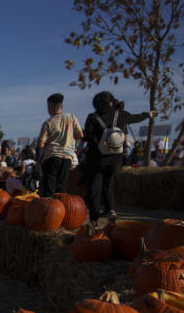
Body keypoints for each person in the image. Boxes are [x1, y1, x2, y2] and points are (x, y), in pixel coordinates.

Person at [82, 91, 154, 227]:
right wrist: (148, 114)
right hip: (116, 159)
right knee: (108, 185)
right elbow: (135, 118)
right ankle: (112, 210)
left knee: (95, 190)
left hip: (97, 159)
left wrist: (93, 139)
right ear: (111, 102)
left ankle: (93, 220)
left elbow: (87, 137)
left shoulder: (92, 117)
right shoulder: (121, 114)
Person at [36, 93, 83, 197]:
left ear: (49, 107)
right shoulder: (71, 117)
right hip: (67, 156)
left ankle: (50, 209)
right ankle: (61, 208)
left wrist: (39, 156)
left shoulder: (48, 122)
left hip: (52, 156)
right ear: (62, 106)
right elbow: (80, 134)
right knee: (61, 185)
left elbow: (41, 143)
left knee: (50, 185)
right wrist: (71, 141)